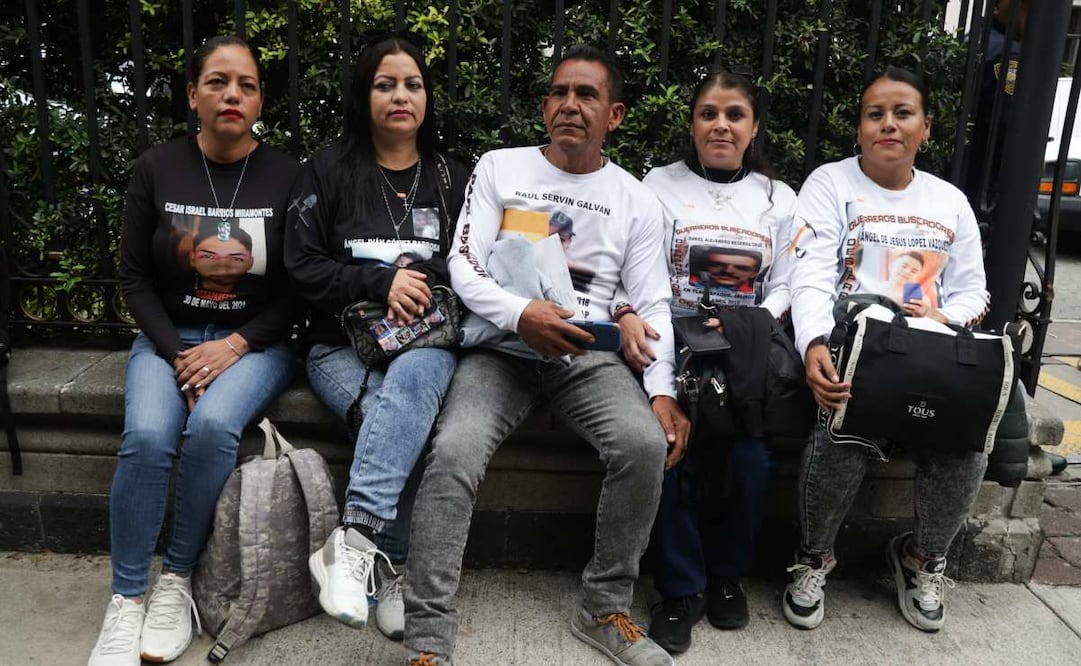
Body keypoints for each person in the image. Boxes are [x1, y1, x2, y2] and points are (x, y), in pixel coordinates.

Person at [403, 45, 689, 666]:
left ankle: (604, 608)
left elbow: (651, 302)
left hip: (586, 355)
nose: (569, 106)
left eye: (586, 95)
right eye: (559, 93)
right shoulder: (502, 168)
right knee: (453, 451)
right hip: (501, 350)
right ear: (544, 107)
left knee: (642, 445)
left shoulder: (636, 199)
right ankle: (427, 632)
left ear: (614, 115)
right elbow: (463, 262)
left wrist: (663, 392)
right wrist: (519, 314)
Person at [90, 36, 299, 666]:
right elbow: (133, 276)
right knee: (150, 436)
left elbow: (299, 290)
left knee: (211, 427)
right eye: (216, 82)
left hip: (253, 344)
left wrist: (233, 345)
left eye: (246, 85)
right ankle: (127, 599)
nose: (232, 95)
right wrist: (178, 352)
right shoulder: (158, 167)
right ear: (192, 95)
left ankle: (176, 581)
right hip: (167, 342)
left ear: (260, 99)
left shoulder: (289, 175)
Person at [785, 66, 990, 633]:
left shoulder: (949, 200)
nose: (888, 124)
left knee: (965, 442)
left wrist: (942, 315)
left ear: (925, 127)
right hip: (857, 351)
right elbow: (808, 274)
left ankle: (923, 559)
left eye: (902, 113)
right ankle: (813, 557)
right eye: (875, 114)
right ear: (859, 127)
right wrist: (814, 343)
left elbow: (975, 290)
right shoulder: (830, 184)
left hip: (930, 353)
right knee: (841, 427)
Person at [284, 33, 469, 642]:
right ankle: (395, 568)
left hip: (426, 339)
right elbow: (303, 266)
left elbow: (473, 263)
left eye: (413, 84)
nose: (401, 95)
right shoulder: (327, 170)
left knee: (412, 382)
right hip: (340, 346)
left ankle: (357, 541)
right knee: (394, 417)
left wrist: (419, 283)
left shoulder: (451, 175)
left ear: (427, 96)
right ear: (364, 95)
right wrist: (381, 281)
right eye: (385, 84)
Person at [614, 69, 797, 654]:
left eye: (735, 114)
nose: (721, 124)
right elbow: (640, 277)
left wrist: (747, 327)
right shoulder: (655, 186)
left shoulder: (779, 199)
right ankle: (680, 589)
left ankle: (725, 577)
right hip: (674, 343)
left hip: (744, 357)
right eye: (709, 113)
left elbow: (789, 286)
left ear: (754, 128)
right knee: (669, 450)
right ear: (692, 125)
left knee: (751, 458)